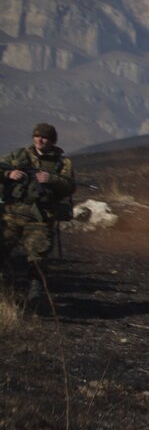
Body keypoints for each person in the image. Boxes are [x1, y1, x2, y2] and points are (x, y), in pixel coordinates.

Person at [2, 123, 75, 309]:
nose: (40, 140)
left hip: (40, 217)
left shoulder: (63, 163)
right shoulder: (18, 155)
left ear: (52, 141)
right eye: (37, 136)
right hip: (13, 213)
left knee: (38, 255)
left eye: (44, 137)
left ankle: (34, 291)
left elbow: (69, 186)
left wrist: (52, 179)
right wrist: (9, 173)